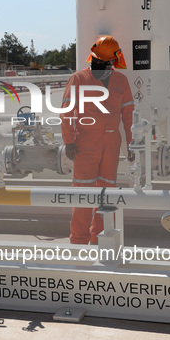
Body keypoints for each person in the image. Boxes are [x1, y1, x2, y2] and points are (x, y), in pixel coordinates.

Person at [61, 35, 134, 245]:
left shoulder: (121, 81)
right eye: (95, 60)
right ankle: (78, 242)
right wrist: (69, 140)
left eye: (102, 62)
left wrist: (131, 143)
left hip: (112, 145)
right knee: (83, 195)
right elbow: (67, 110)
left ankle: (100, 241)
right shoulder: (78, 79)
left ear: (112, 62)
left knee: (106, 195)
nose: (97, 65)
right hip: (85, 144)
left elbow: (128, 115)